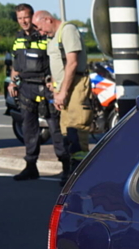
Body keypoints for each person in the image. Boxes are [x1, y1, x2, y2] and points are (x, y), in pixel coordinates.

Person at [8, 3, 69, 182]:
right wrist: (13, 83)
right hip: (26, 88)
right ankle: (30, 166)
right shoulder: (18, 39)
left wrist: (53, 81)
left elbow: (56, 60)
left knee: (55, 128)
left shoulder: (44, 35)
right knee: (29, 129)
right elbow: (15, 66)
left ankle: (66, 168)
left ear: (32, 16)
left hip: (45, 87)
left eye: (26, 17)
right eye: (20, 18)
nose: (23, 21)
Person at [32, 10, 92, 179]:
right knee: (67, 133)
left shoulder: (68, 31)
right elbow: (60, 65)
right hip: (63, 89)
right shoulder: (54, 37)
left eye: (40, 27)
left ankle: (80, 176)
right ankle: (71, 172)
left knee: (77, 132)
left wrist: (63, 92)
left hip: (75, 87)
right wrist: (56, 87)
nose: (41, 32)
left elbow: (72, 63)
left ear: (48, 19)